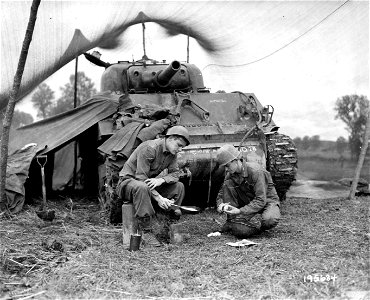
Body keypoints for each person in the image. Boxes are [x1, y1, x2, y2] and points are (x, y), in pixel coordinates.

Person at [116, 125, 190, 247]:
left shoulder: (172, 154)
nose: (180, 149)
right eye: (179, 145)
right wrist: (159, 198)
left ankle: (167, 223)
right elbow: (141, 178)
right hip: (127, 184)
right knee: (142, 187)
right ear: (170, 138)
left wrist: (161, 180)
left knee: (179, 186)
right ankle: (147, 231)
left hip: (146, 185)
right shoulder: (149, 148)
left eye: (182, 147)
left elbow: (176, 174)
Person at [215, 144, 281, 238]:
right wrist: (220, 205)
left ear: (235, 160)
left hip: (267, 201)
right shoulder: (230, 175)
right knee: (227, 185)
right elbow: (221, 194)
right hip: (248, 200)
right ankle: (232, 221)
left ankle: (257, 227)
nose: (226, 169)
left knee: (269, 220)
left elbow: (260, 200)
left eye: (227, 165)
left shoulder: (256, 172)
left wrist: (240, 211)